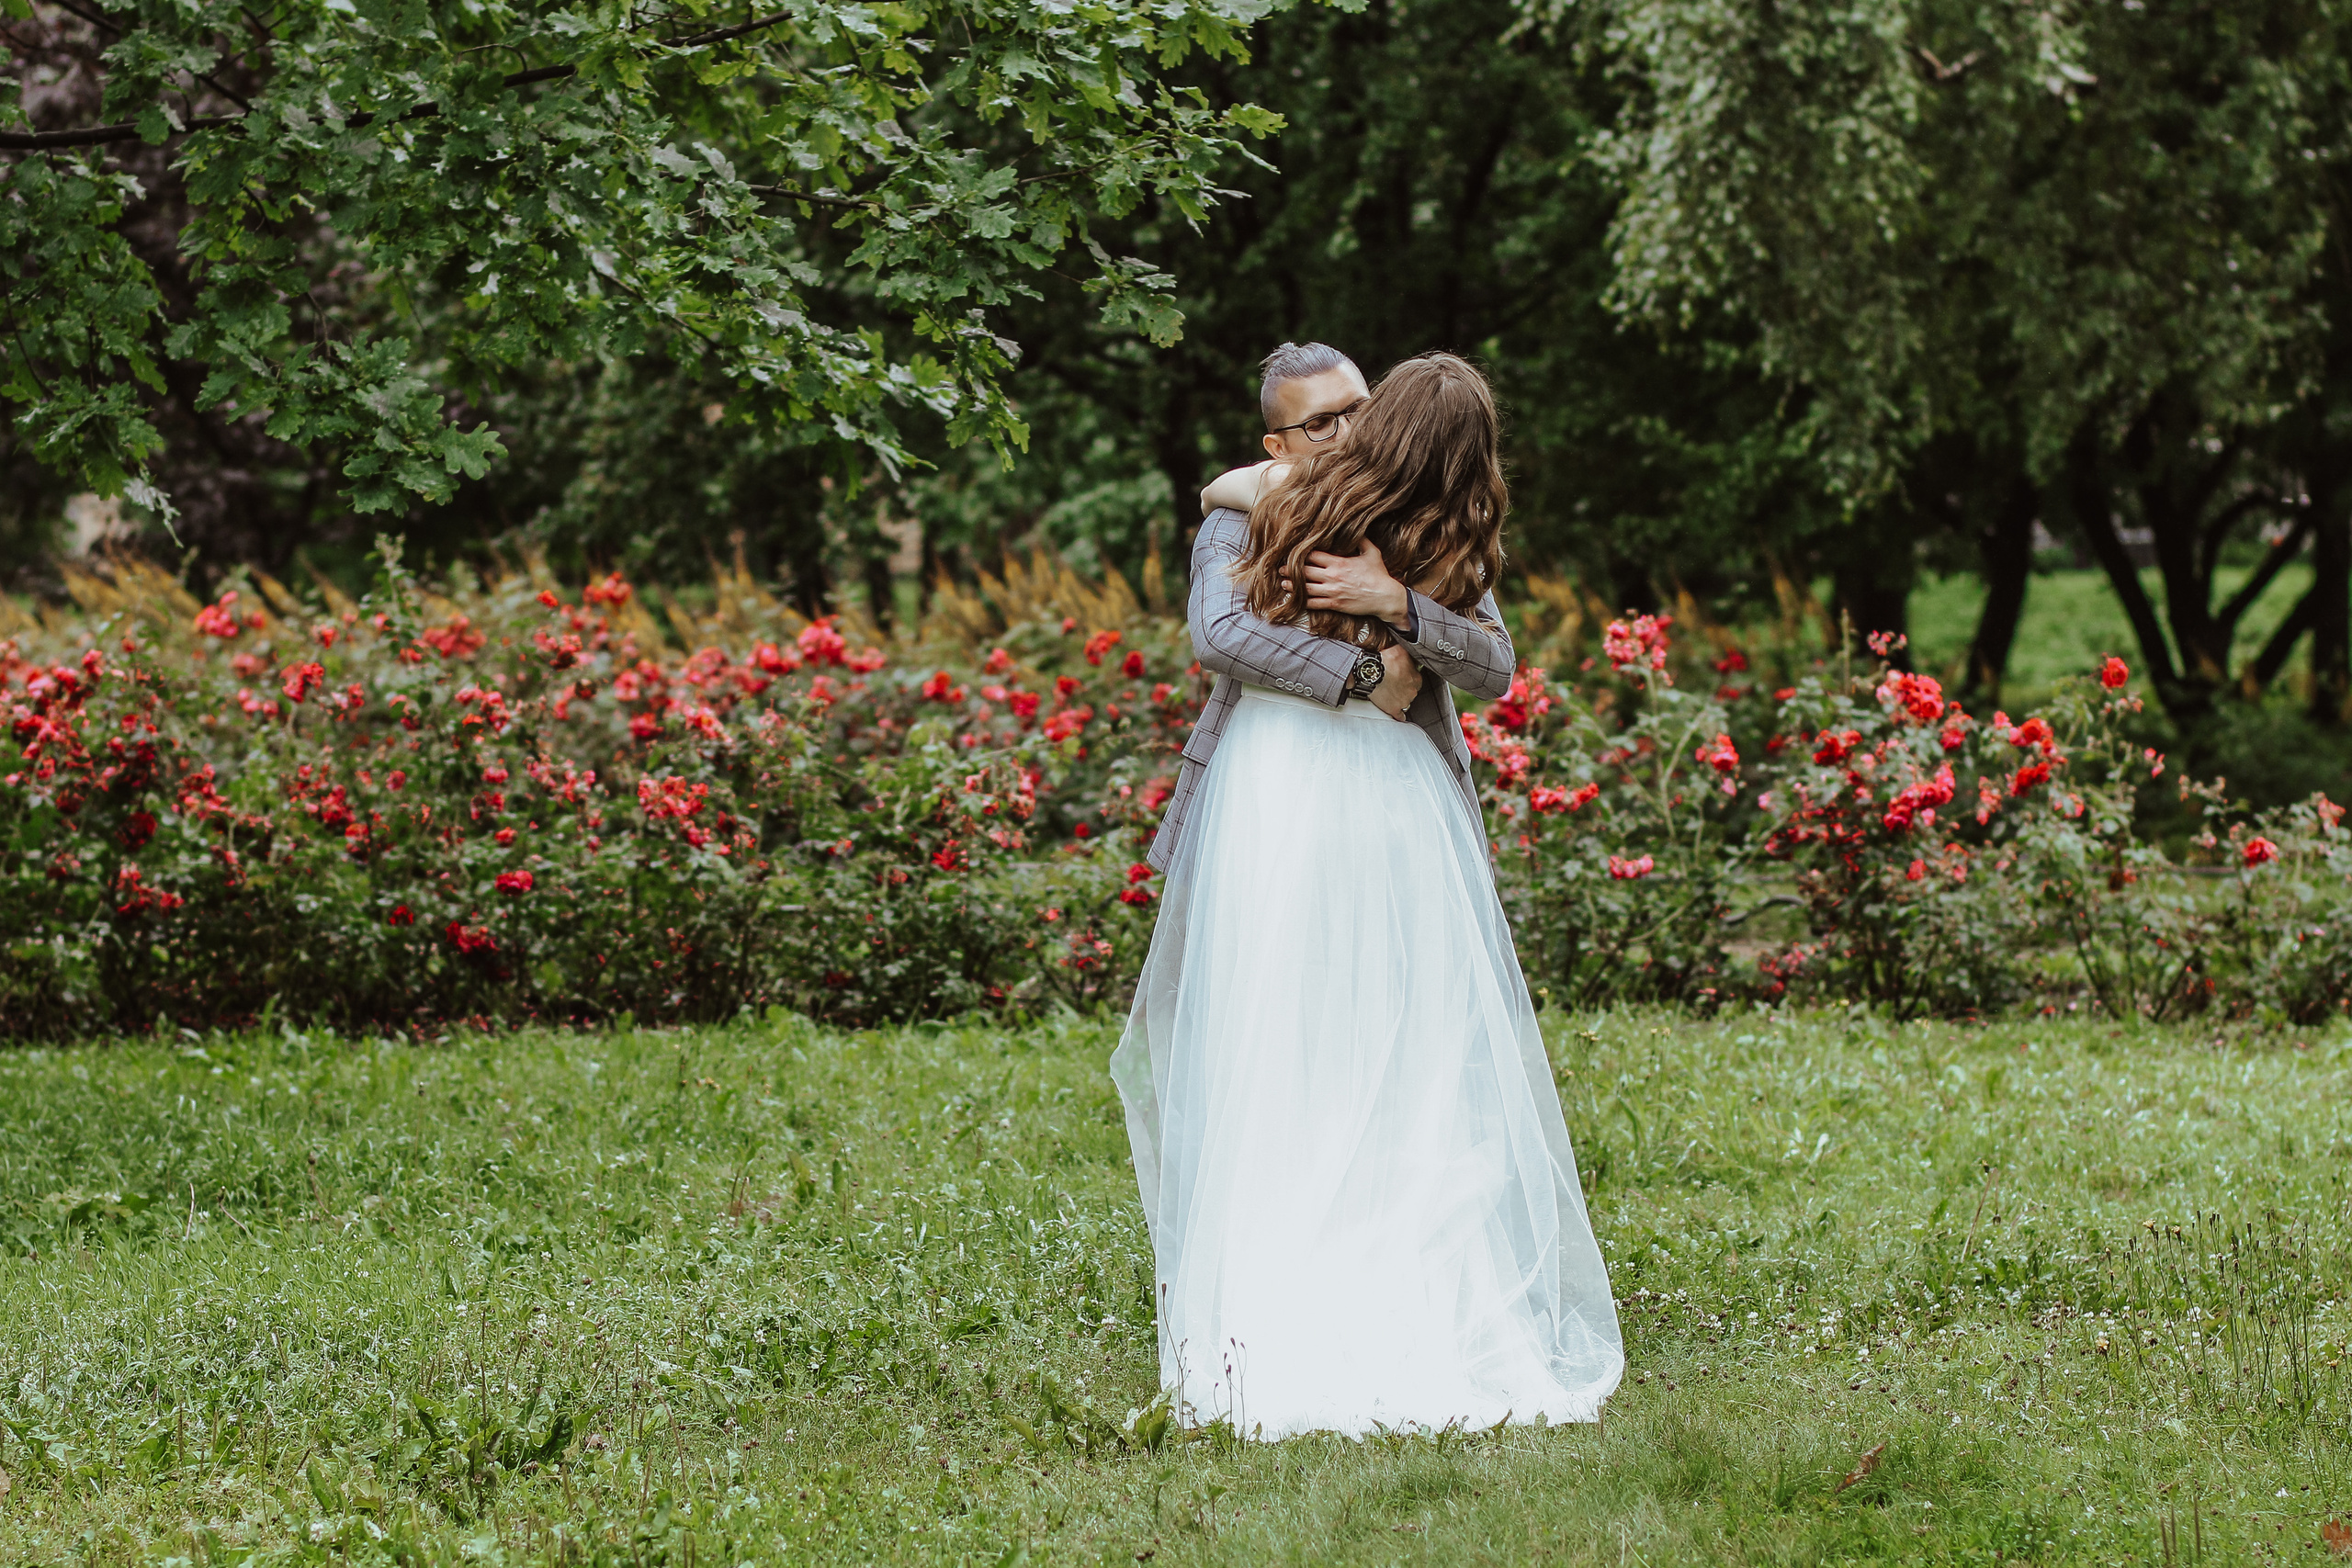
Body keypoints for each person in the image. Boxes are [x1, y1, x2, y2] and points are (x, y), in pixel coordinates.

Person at [1112, 348, 1624, 1439]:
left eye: (1361, 411)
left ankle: (1412, 1274)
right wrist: (1361, 673)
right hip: (1278, 795)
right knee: (1275, 1032)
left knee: (1405, 1034)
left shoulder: (1420, 523)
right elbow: (1220, 637)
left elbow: (1492, 663)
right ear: (1279, 441)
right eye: (1320, 424)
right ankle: (1273, 1294)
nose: (1344, 434)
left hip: (1391, 798)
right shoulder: (1239, 510)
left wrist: (1397, 606)